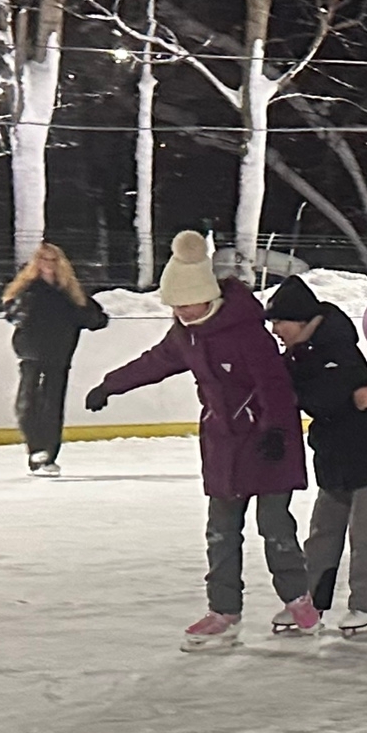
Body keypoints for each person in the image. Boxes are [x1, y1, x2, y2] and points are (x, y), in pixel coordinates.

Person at [85, 231, 308, 649]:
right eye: (175, 306)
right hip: (223, 444)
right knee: (221, 531)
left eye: (188, 304)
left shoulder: (247, 332)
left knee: (274, 524)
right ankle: (223, 610)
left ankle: (298, 598)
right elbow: (156, 362)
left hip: (267, 440)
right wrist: (110, 385)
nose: (182, 311)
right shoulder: (184, 334)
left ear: (208, 296)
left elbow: (275, 386)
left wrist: (277, 432)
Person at [269, 276, 367, 636]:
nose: (275, 329)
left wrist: (292, 391)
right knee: (323, 530)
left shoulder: (335, 347)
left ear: (302, 321)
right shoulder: (299, 353)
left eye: (279, 322)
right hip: (337, 453)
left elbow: (328, 397)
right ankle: (310, 603)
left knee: (365, 531)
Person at [3, 242, 108, 476]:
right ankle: (36, 448)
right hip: (31, 351)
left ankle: (48, 453)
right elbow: (11, 312)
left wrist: (83, 317)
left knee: (52, 403)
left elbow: (96, 318)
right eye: (43, 260)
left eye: (52, 260)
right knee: (28, 400)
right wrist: (22, 315)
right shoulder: (28, 290)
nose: (48, 266)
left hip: (59, 353)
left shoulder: (70, 292)